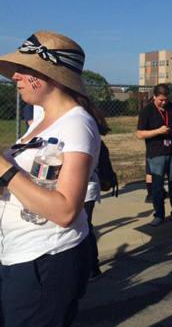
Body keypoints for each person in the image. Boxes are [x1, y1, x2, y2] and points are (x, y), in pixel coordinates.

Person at [0, 31, 105, 325]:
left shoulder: (77, 125)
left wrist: (4, 170)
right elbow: (22, 187)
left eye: (23, 70)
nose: (15, 77)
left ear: (49, 75)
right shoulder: (42, 122)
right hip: (18, 253)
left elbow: (65, 211)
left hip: (46, 258)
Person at [137, 84, 172, 226]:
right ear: (154, 97)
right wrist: (158, 131)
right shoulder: (146, 111)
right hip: (156, 153)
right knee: (158, 185)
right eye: (161, 100)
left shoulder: (171, 108)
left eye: (166, 99)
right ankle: (159, 215)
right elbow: (140, 134)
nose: (163, 102)